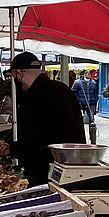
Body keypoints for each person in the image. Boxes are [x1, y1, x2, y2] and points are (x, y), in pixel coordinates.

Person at [7, 53, 85, 187]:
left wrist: (13, 148)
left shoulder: (36, 97)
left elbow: (34, 136)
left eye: (14, 77)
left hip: (48, 171)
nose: (15, 82)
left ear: (19, 74)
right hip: (67, 167)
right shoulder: (61, 89)